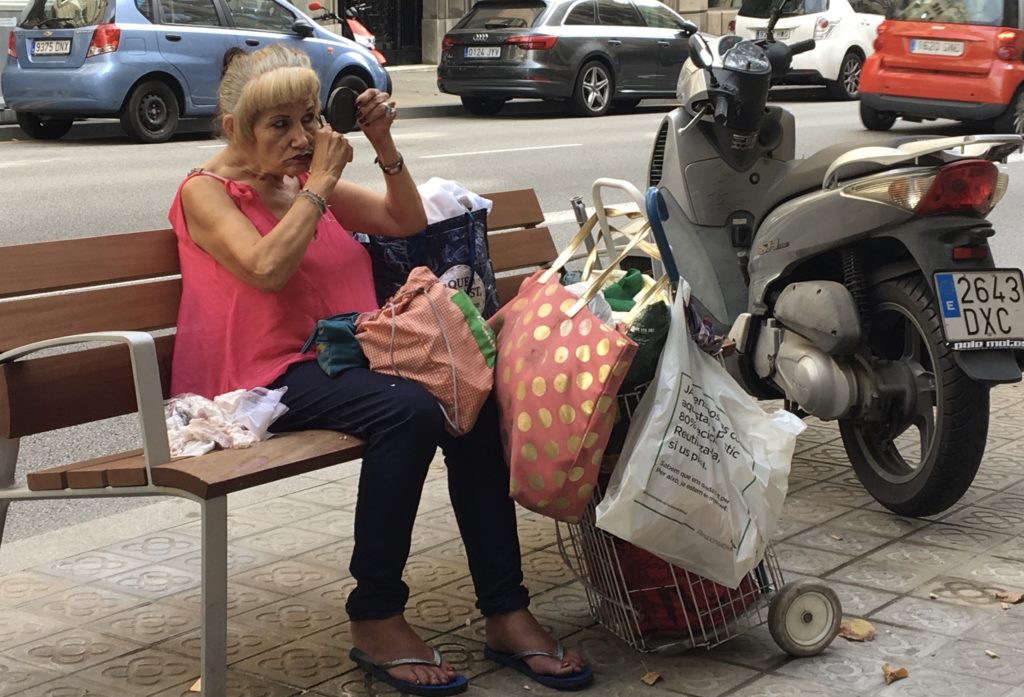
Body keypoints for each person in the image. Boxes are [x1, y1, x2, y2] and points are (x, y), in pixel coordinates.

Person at [168, 44, 593, 696]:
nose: (301, 137)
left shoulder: (299, 183)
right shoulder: (206, 191)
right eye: (278, 124)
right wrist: (319, 185)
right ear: (234, 129)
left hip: (350, 356)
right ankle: (375, 614)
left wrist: (383, 143)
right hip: (267, 376)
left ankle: (506, 611)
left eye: (307, 119)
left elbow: (404, 219)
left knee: (469, 398)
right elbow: (264, 268)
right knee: (411, 410)